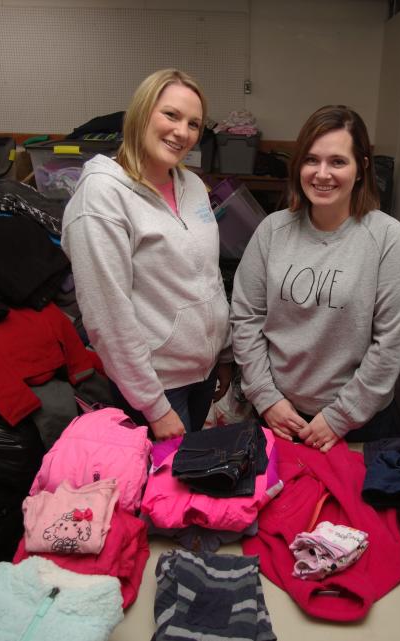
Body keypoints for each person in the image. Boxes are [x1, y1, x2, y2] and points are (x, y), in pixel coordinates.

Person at [230, 105, 400, 452]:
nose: (322, 174)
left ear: (361, 168)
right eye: (311, 160)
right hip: (278, 417)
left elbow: (391, 345)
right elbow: (246, 317)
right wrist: (265, 397)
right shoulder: (272, 230)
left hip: (358, 426)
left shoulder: (389, 240)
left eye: (337, 161)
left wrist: (341, 416)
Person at [62, 69, 232, 440]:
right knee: (164, 490)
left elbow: (209, 275)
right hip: (156, 387)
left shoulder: (192, 186)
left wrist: (222, 355)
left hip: (201, 373)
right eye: (170, 115)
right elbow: (108, 315)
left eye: (194, 124)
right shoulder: (103, 197)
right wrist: (153, 407)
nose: (182, 132)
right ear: (141, 114)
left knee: (189, 482)